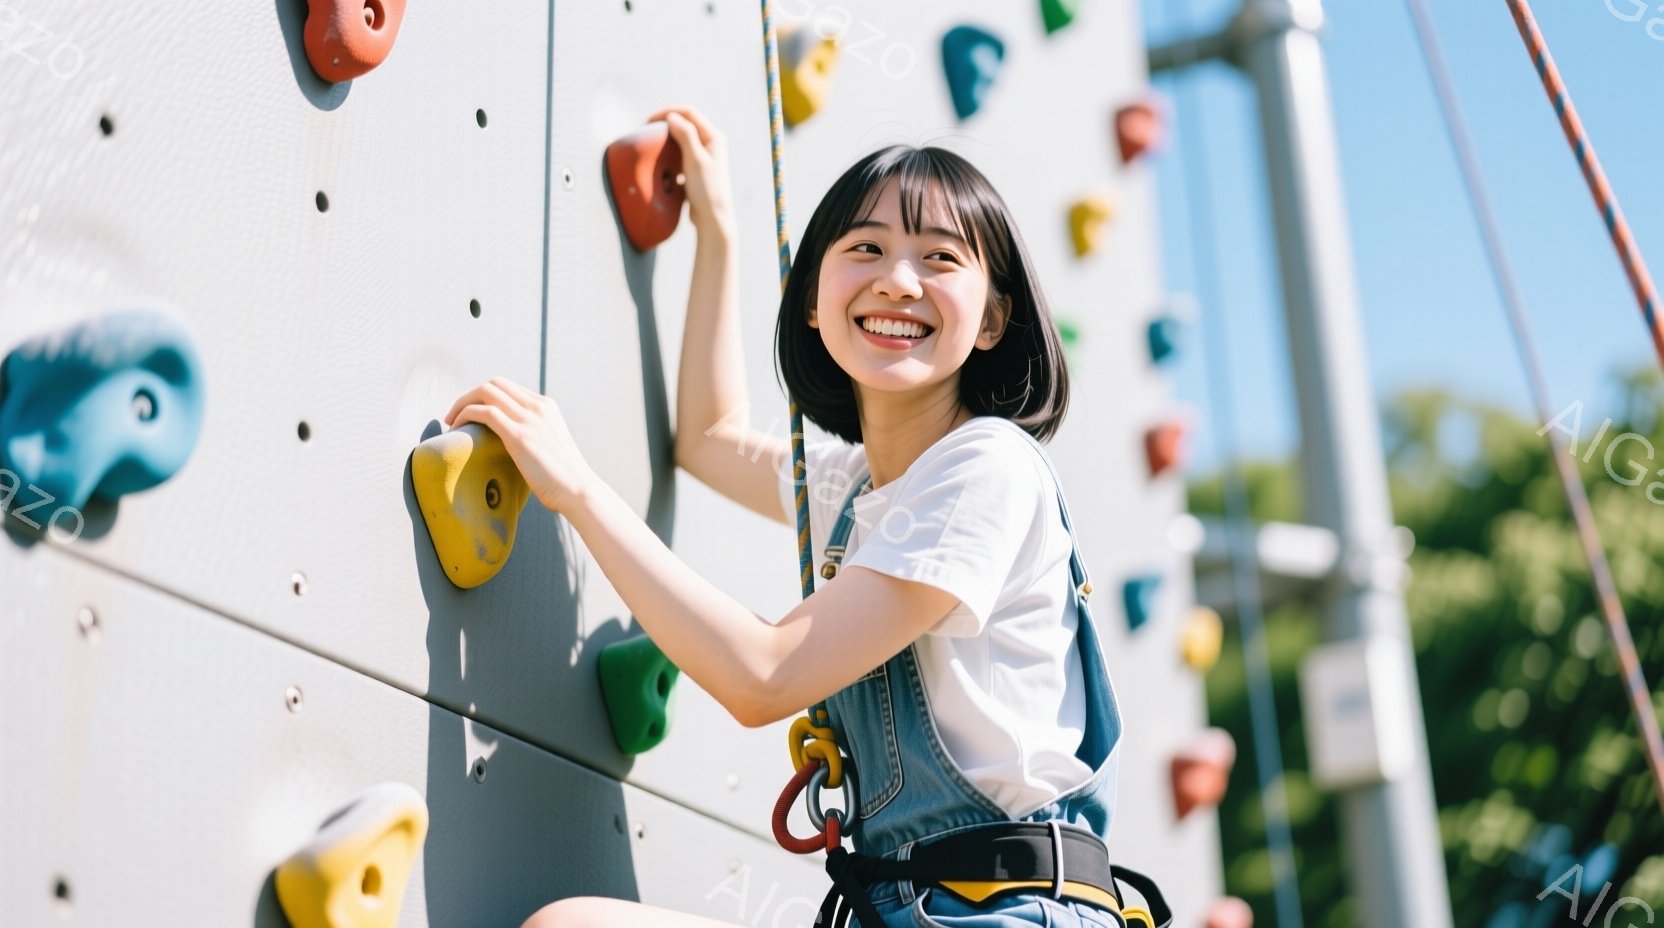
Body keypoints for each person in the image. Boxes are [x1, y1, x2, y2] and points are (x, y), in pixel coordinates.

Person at [449, 106, 1154, 928]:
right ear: (815, 300)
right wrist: (719, 232)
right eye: (865, 249)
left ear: (994, 319)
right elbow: (708, 440)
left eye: (940, 258)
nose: (898, 279)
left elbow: (765, 677)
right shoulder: (860, 491)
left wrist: (577, 489)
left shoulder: (987, 467)